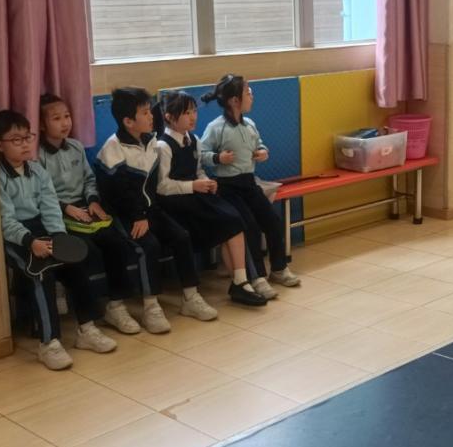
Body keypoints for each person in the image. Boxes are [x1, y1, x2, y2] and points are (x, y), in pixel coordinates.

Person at [0, 109, 118, 367]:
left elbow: (50, 207)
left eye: (27, 137)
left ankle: (87, 329)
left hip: (44, 228)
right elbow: (5, 220)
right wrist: (31, 242)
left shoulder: (37, 171)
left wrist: (59, 237)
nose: (25, 144)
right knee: (40, 274)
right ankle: (49, 343)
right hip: (17, 238)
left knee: (76, 265)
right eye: (16, 140)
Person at [96, 87, 219, 326]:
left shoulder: (150, 140)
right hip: (122, 214)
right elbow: (119, 194)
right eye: (144, 113)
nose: (151, 116)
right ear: (128, 121)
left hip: (147, 210)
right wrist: (138, 216)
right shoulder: (112, 149)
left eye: (149, 111)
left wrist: (147, 212)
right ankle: (151, 306)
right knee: (148, 246)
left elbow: (150, 185)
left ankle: (190, 297)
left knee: (181, 236)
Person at [39, 94, 144, 337]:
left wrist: (93, 201)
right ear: (42, 125)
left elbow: (88, 179)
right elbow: (42, 192)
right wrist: (66, 207)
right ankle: (87, 320)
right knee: (87, 251)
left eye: (67, 116)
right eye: (56, 118)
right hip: (58, 213)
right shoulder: (38, 156)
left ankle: (116, 306)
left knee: (116, 242)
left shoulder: (75, 146)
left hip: (86, 208)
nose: (65, 123)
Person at [155, 92, 267, 307]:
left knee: (234, 219)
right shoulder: (163, 146)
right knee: (216, 223)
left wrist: (206, 181)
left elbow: (198, 170)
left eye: (194, 111)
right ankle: (202, 292)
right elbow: (162, 186)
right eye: (186, 113)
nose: (193, 117)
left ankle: (241, 281)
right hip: (175, 203)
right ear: (169, 117)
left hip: (197, 197)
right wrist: (193, 186)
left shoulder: (194, 140)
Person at [199, 75, 301, 297]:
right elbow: (202, 154)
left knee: (272, 221)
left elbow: (259, 144)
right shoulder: (216, 128)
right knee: (250, 228)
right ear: (234, 100)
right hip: (228, 187)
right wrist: (217, 158)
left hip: (249, 183)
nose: (252, 96)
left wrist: (263, 152)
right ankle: (257, 277)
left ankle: (279, 268)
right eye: (248, 93)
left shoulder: (250, 124)